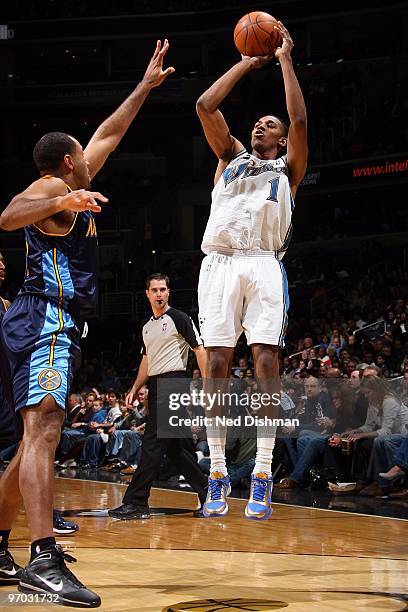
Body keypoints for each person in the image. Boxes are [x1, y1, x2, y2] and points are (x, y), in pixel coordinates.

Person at [0, 40, 174, 607]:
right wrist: (68, 202)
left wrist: (144, 88)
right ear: (69, 163)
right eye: (84, 155)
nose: (93, 154)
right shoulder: (53, 190)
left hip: (51, 320)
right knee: (44, 433)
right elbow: (7, 215)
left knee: (32, 440)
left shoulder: (72, 175)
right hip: (45, 315)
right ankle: (43, 559)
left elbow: (108, 132)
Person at [195, 20, 307, 519]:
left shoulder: (288, 170)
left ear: (281, 141)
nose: (262, 125)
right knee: (216, 367)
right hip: (217, 264)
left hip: (263, 265)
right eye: (258, 122)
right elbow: (205, 106)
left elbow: (300, 119)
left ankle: (262, 471)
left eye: (270, 124)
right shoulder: (230, 158)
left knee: (265, 364)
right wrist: (246, 60)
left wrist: (283, 59)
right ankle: (217, 471)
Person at [0, 253, 78, 590]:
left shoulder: (10, 305)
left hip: (10, 388)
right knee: (33, 443)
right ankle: (40, 550)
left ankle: (7, 545)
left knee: (29, 447)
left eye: (4, 260)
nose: (2, 264)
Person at [109, 273, 208, 520]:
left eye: (163, 289)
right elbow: (147, 360)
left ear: (168, 292)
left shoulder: (179, 318)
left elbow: (199, 350)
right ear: (147, 294)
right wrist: (134, 388)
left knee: (152, 443)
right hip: (156, 385)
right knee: (175, 449)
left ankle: (137, 502)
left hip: (175, 384)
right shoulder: (146, 326)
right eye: (155, 290)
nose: (159, 294)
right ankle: (210, 493)